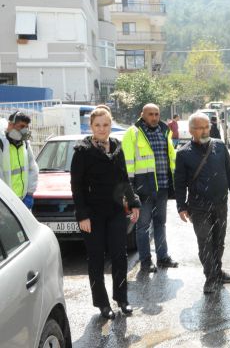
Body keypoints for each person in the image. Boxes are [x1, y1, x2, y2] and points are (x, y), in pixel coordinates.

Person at [70, 106, 140, 319]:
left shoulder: (117, 147)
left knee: (120, 256)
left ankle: (122, 299)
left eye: (106, 124)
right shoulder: (82, 151)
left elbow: (124, 179)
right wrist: (82, 215)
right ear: (91, 126)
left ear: (111, 125)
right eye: (97, 125)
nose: (102, 129)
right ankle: (102, 303)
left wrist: (134, 201)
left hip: (116, 211)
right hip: (92, 215)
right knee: (96, 259)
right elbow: (76, 185)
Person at [175, 113, 230, 294]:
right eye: (199, 127)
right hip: (198, 206)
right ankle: (210, 277)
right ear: (190, 130)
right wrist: (181, 206)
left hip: (220, 203)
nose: (203, 131)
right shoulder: (183, 153)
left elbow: (229, 169)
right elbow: (179, 183)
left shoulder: (219, 146)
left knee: (219, 241)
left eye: (206, 127)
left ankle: (218, 271)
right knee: (205, 242)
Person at [122, 103, 178, 273]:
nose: (154, 117)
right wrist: (130, 192)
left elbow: (171, 157)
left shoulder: (164, 131)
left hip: (162, 187)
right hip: (142, 189)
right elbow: (127, 165)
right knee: (143, 227)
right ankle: (145, 261)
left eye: (157, 114)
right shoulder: (133, 133)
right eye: (150, 114)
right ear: (142, 114)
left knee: (160, 223)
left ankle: (163, 258)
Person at [0, 111, 39, 209]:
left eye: (26, 127)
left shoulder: (25, 144)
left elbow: (33, 168)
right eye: (21, 126)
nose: (24, 131)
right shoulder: (2, 145)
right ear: (10, 125)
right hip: (5, 203)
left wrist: (29, 193)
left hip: (22, 201)